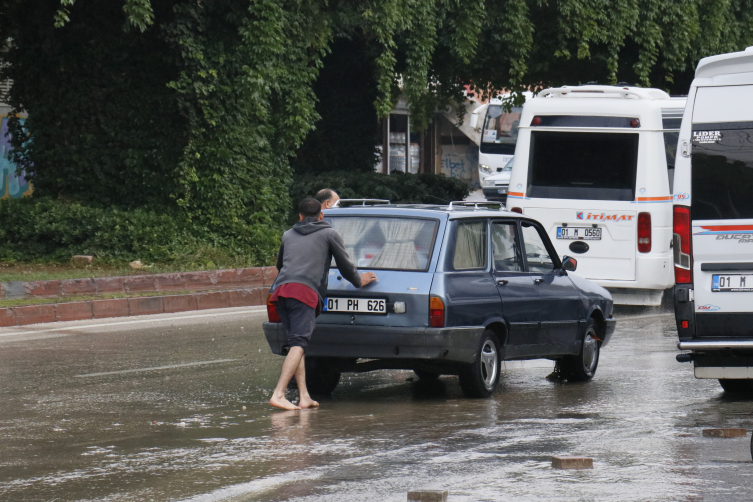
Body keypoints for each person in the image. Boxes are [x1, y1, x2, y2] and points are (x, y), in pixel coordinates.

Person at [268, 197, 377, 410]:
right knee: (299, 344)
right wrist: (359, 280)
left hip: (281, 291)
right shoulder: (329, 233)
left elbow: (280, 265)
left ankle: (304, 396)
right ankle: (279, 394)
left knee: (296, 346)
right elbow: (345, 266)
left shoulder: (288, 234)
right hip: (304, 293)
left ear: (299, 217)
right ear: (321, 215)